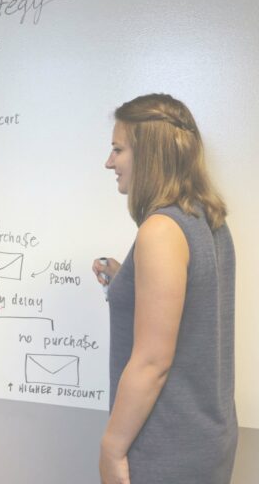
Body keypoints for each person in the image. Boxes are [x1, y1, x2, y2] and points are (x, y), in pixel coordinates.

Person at [92, 93, 237, 484]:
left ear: (149, 153)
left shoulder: (160, 231)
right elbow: (194, 303)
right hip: (205, 441)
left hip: (164, 446)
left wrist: (111, 448)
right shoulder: (208, 219)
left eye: (118, 149)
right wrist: (128, 279)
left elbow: (152, 363)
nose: (110, 162)